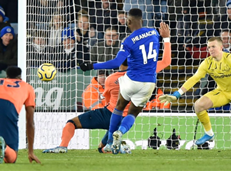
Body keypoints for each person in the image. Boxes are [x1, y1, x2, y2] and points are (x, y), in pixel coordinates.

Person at [41, 21, 171, 153]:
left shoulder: (111, 79)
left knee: (72, 123)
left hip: (108, 114)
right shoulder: (149, 70)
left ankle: (62, 146)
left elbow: (107, 99)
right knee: (102, 147)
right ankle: (116, 145)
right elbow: (166, 61)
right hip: (125, 120)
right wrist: (166, 38)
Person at [159, 37, 231, 146]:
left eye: (213, 46)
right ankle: (209, 133)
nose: (210, 49)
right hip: (223, 92)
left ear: (221, 47)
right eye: (209, 47)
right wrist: (177, 94)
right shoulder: (207, 62)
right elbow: (194, 78)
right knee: (198, 105)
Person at [0, 66, 40, 164]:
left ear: (6, 76)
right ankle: (4, 148)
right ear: (20, 77)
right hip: (8, 107)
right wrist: (30, 152)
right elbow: (30, 121)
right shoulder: (27, 87)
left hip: (7, 105)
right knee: (11, 158)